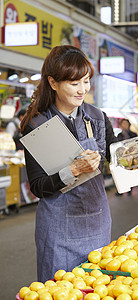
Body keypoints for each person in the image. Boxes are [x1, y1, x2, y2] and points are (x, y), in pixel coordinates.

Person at [20, 45, 117, 282]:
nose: (82, 90)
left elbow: (115, 156)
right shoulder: (38, 124)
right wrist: (72, 171)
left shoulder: (97, 117)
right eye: (74, 84)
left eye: (86, 81)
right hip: (58, 232)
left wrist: (136, 157)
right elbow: (38, 186)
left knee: (97, 290)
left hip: (97, 223)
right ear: (53, 83)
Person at [115, 119, 137, 196]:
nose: (124, 125)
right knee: (121, 174)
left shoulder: (133, 134)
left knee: (130, 174)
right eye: (123, 124)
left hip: (131, 157)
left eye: (126, 124)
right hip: (122, 158)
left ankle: (130, 189)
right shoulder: (119, 135)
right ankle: (120, 190)